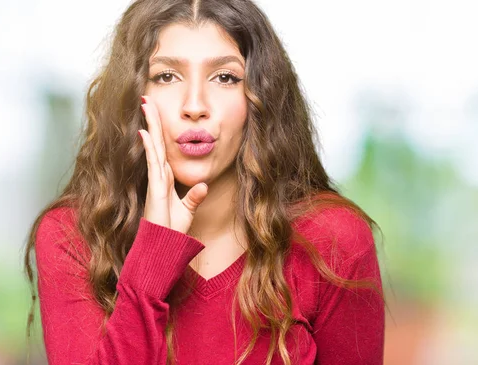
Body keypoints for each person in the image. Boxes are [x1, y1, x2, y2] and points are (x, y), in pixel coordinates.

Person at [23, 0, 385, 364]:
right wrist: (153, 257)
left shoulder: (333, 240)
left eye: (225, 77)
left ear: (259, 99)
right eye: (166, 76)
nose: (195, 105)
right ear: (133, 96)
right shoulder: (73, 236)